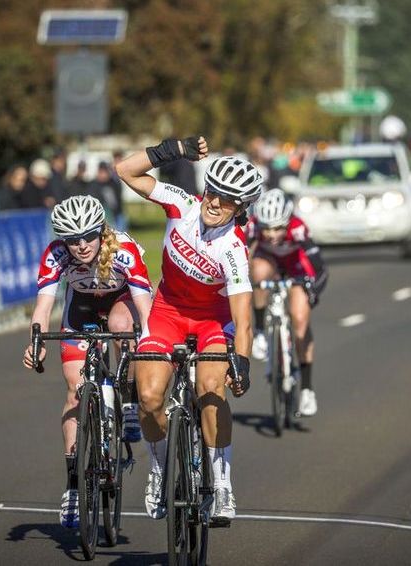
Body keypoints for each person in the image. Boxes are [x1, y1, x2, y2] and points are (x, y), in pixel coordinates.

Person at [116, 136, 261, 526]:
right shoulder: (183, 205)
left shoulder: (233, 248)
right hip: (168, 312)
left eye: (227, 199)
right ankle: (161, 467)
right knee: (147, 397)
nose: (215, 203)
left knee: (211, 390)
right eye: (213, 191)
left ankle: (222, 481)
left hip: (214, 320)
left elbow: (243, 315)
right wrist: (171, 150)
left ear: (241, 208)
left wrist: (242, 361)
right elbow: (125, 170)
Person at [22, 195, 152, 529]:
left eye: (87, 237)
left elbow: (144, 306)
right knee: (75, 390)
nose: (80, 246)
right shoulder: (55, 255)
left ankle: (130, 400)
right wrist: (36, 341)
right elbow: (44, 305)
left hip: (121, 302)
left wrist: (151, 344)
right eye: (72, 240)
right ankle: (74, 488)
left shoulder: (125, 250)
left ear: (100, 230)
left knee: (123, 328)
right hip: (80, 309)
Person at [249, 189, 328, 416]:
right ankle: (262, 330)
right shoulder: (254, 226)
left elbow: (320, 268)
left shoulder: (298, 228)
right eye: (267, 229)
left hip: (296, 267)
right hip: (269, 262)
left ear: (287, 221)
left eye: (278, 228)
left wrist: (313, 290)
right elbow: (241, 257)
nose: (273, 235)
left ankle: (306, 389)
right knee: (258, 272)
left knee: (300, 319)